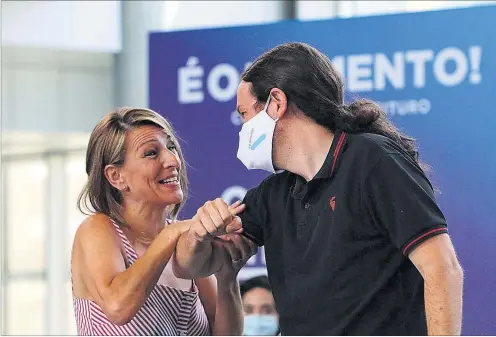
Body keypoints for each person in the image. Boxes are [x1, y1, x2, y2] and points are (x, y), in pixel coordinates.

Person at [192, 42, 465, 335]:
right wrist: (199, 230)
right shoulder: (273, 195)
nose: (242, 129)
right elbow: (191, 265)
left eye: (244, 114)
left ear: (276, 103)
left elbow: (442, 269)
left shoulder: (373, 160)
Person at [71, 107, 257, 336]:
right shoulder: (98, 229)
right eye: (151, 153)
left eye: (170, 147)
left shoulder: (188, 247)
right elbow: (118, 307)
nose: (173, 160)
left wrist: (227, 276)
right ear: (116, 176)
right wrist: (172, 232)